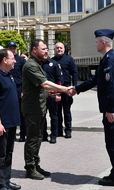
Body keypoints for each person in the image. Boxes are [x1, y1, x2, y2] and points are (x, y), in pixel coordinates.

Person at [71, 29, 114, 186]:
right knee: (113, 143)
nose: (94, 44)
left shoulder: (110, 59)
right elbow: (96, 79)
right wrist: (77, 89)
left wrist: (110, 109)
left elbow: (113, 87)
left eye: (96, 42)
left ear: (103, 43)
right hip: (113, 109)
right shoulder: (107, 59)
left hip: (113, 111)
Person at [22, 39, 73, 180]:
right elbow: (44, 83)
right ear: (34, 50)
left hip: (39, 107)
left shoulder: (38, 64)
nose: (47, 51)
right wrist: (64, 89)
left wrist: (52, 92)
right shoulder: (30, 65)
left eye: (46, 49)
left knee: (38, 138)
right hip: (32, 109)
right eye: (43, 49)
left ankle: (36, 165)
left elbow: (40, 87)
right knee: (32, 139)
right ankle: (30, 168)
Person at [0, 49, 21, 190]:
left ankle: (7, 181)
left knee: (8, 153)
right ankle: (0, 184)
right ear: (4, 60)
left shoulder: (9, 75)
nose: (15, 60)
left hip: (12, 122)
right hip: (2, 124)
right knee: (0, 155)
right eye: (12, 58)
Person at [52, 42, 78, 138]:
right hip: (56, 88)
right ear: (54, 49)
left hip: (67, 88)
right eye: (57, 48)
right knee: (56, 111)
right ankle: (59, 130)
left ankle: (68, 130)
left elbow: (74, 73)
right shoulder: (52, 61)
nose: (59, 49)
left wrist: (74, 87)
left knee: (66, 111)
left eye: (61, 48)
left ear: (64, 49)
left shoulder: (69, 59)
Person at [42, 48, 63, 144]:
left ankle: (54, 135)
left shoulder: (54, 64)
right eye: (44, 51)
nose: (46, 53)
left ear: (49, 52)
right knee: (42, 116)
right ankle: (43, 135)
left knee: (54, 116)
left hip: (53, 94)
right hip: (41, 95)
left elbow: (59, 79)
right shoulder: (38, 64)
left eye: (47, 51)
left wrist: (58, 93)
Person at [7, 41, 27, 142]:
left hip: (19, 89)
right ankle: (12, 134)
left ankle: (23, 134)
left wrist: (24, 90)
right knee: (11, 113)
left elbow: (26, 76)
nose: (13, 49)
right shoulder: (5, 60)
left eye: (14, 48)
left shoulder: (21, 60)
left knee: (21, 113)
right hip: (9, 90)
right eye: (11, 48)